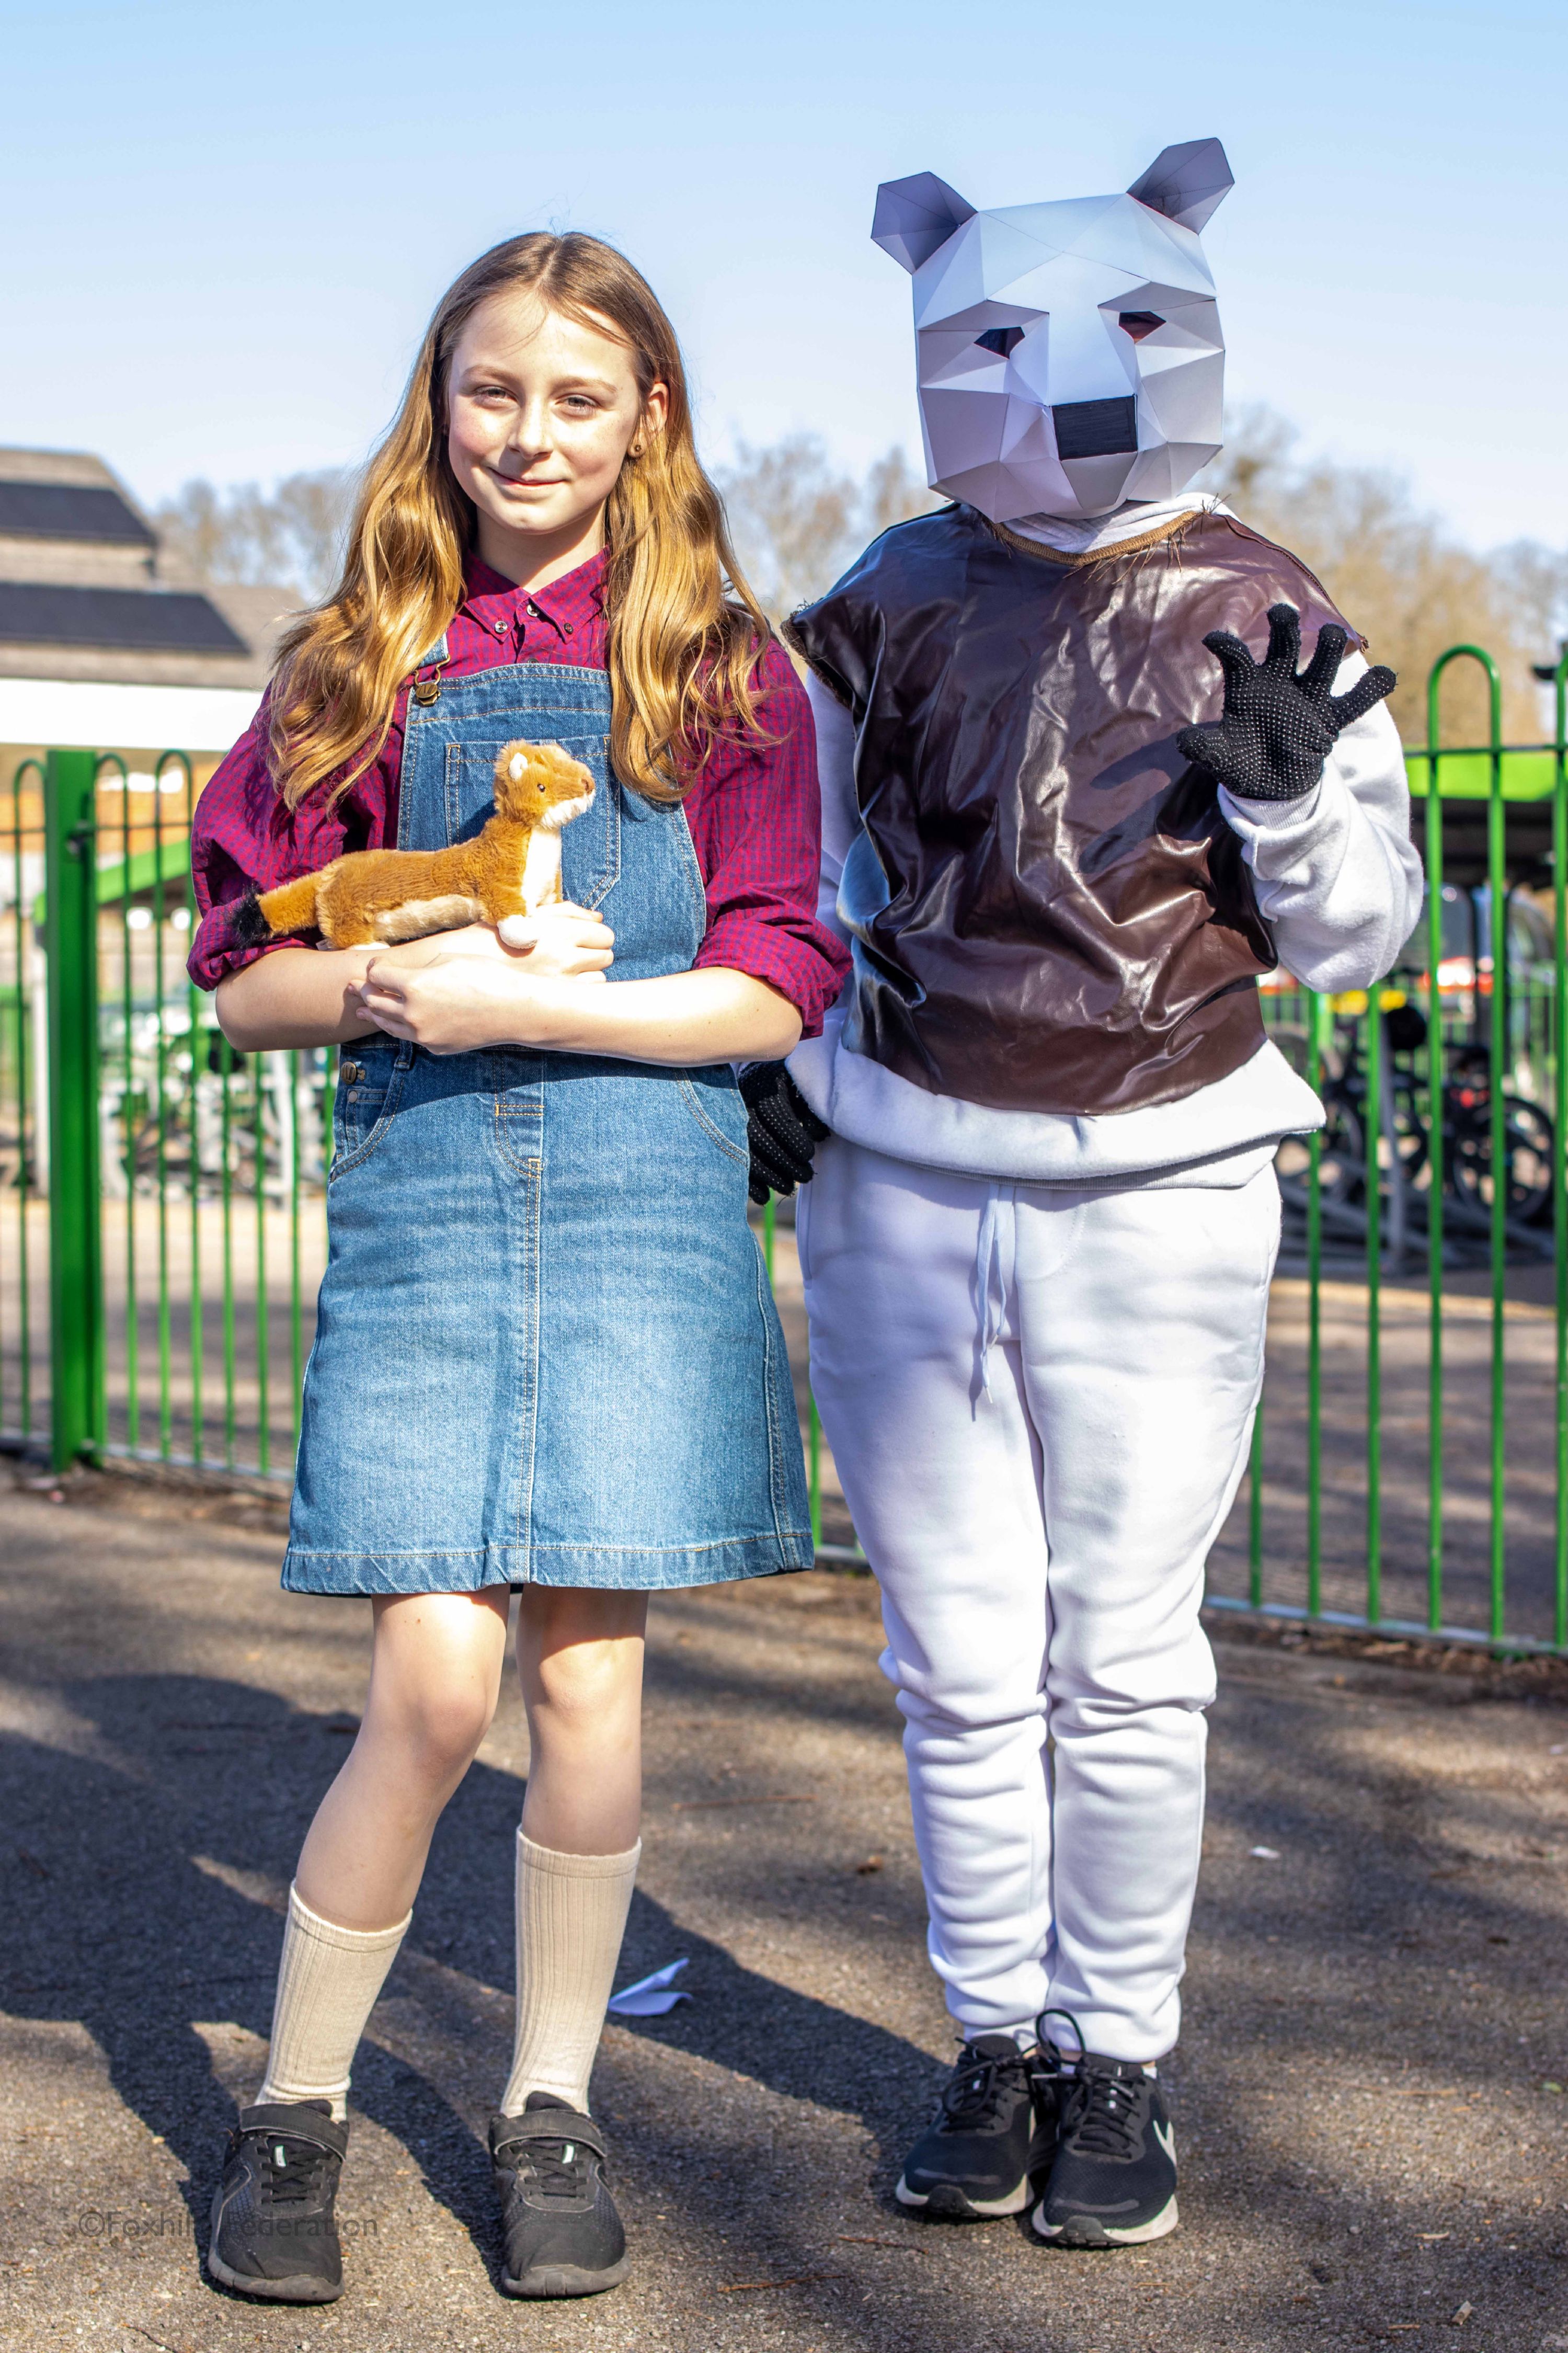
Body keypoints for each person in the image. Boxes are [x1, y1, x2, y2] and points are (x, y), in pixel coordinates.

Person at [749, 145, 1421, 2249]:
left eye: (1139, 326)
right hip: (902, 1172)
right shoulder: (881, 598)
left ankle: (1117, 2055)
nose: (1087, 385)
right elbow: (805, 875)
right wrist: (786, 1055)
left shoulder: (1269, 605)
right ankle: (1002, 2040)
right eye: (1012, 340)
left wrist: (1301, 808)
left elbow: (1364, 938)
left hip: (1170, 1166)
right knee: (956, 1654)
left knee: (1126, 1655)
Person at [187, 231, 849, 2305]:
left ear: (645, 414)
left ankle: (548, 2103)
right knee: (433, 1684)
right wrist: (394, 977)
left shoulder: (728, 676)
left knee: (585, 1691)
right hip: (434, 1211)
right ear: (438, 400)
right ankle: (294, 2113)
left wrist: (538, 1012)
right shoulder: (353, 663)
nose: (531, 434)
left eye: (577, 396)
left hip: (651, 1216)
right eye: (494, 391)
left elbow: (775, 986)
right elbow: (239, 981)